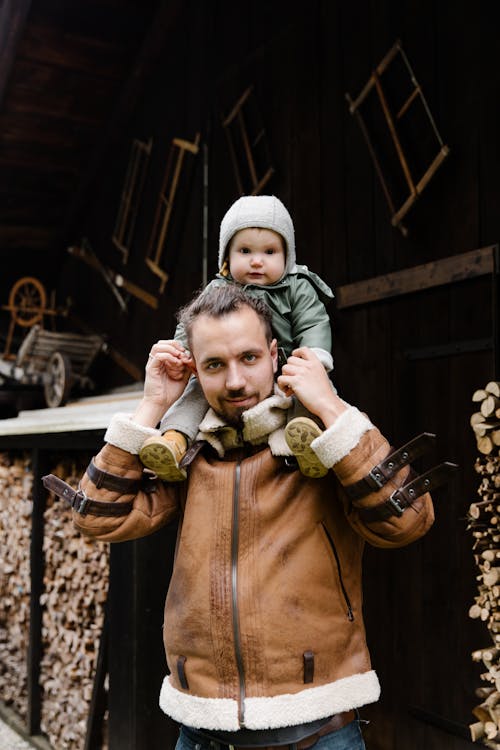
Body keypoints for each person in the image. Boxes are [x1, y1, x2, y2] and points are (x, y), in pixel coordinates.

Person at [43, 284, 445, 750]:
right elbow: (99, 519)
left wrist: (331, 407)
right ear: (196, 370)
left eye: (249, 358)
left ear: (276, 355)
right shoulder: (188, 456)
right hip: (202, 733)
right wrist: (152, 405)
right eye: (214, 365)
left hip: (319, 733)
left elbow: (409, 520)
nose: (234, 381)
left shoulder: (323, 441)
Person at [139, 194, 335, 482]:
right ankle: (174, 439)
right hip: (230, 365)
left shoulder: (297, 288)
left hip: (288, 367)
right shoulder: (218, 289)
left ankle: (308, 437)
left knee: (316, 389)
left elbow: (313, 322)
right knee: (194, 393)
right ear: (227, 258)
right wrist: (181, 352)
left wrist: (315, 356)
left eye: (269, 252)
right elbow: (190, 325)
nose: (257, 261)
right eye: (245, 251)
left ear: (287, 256)